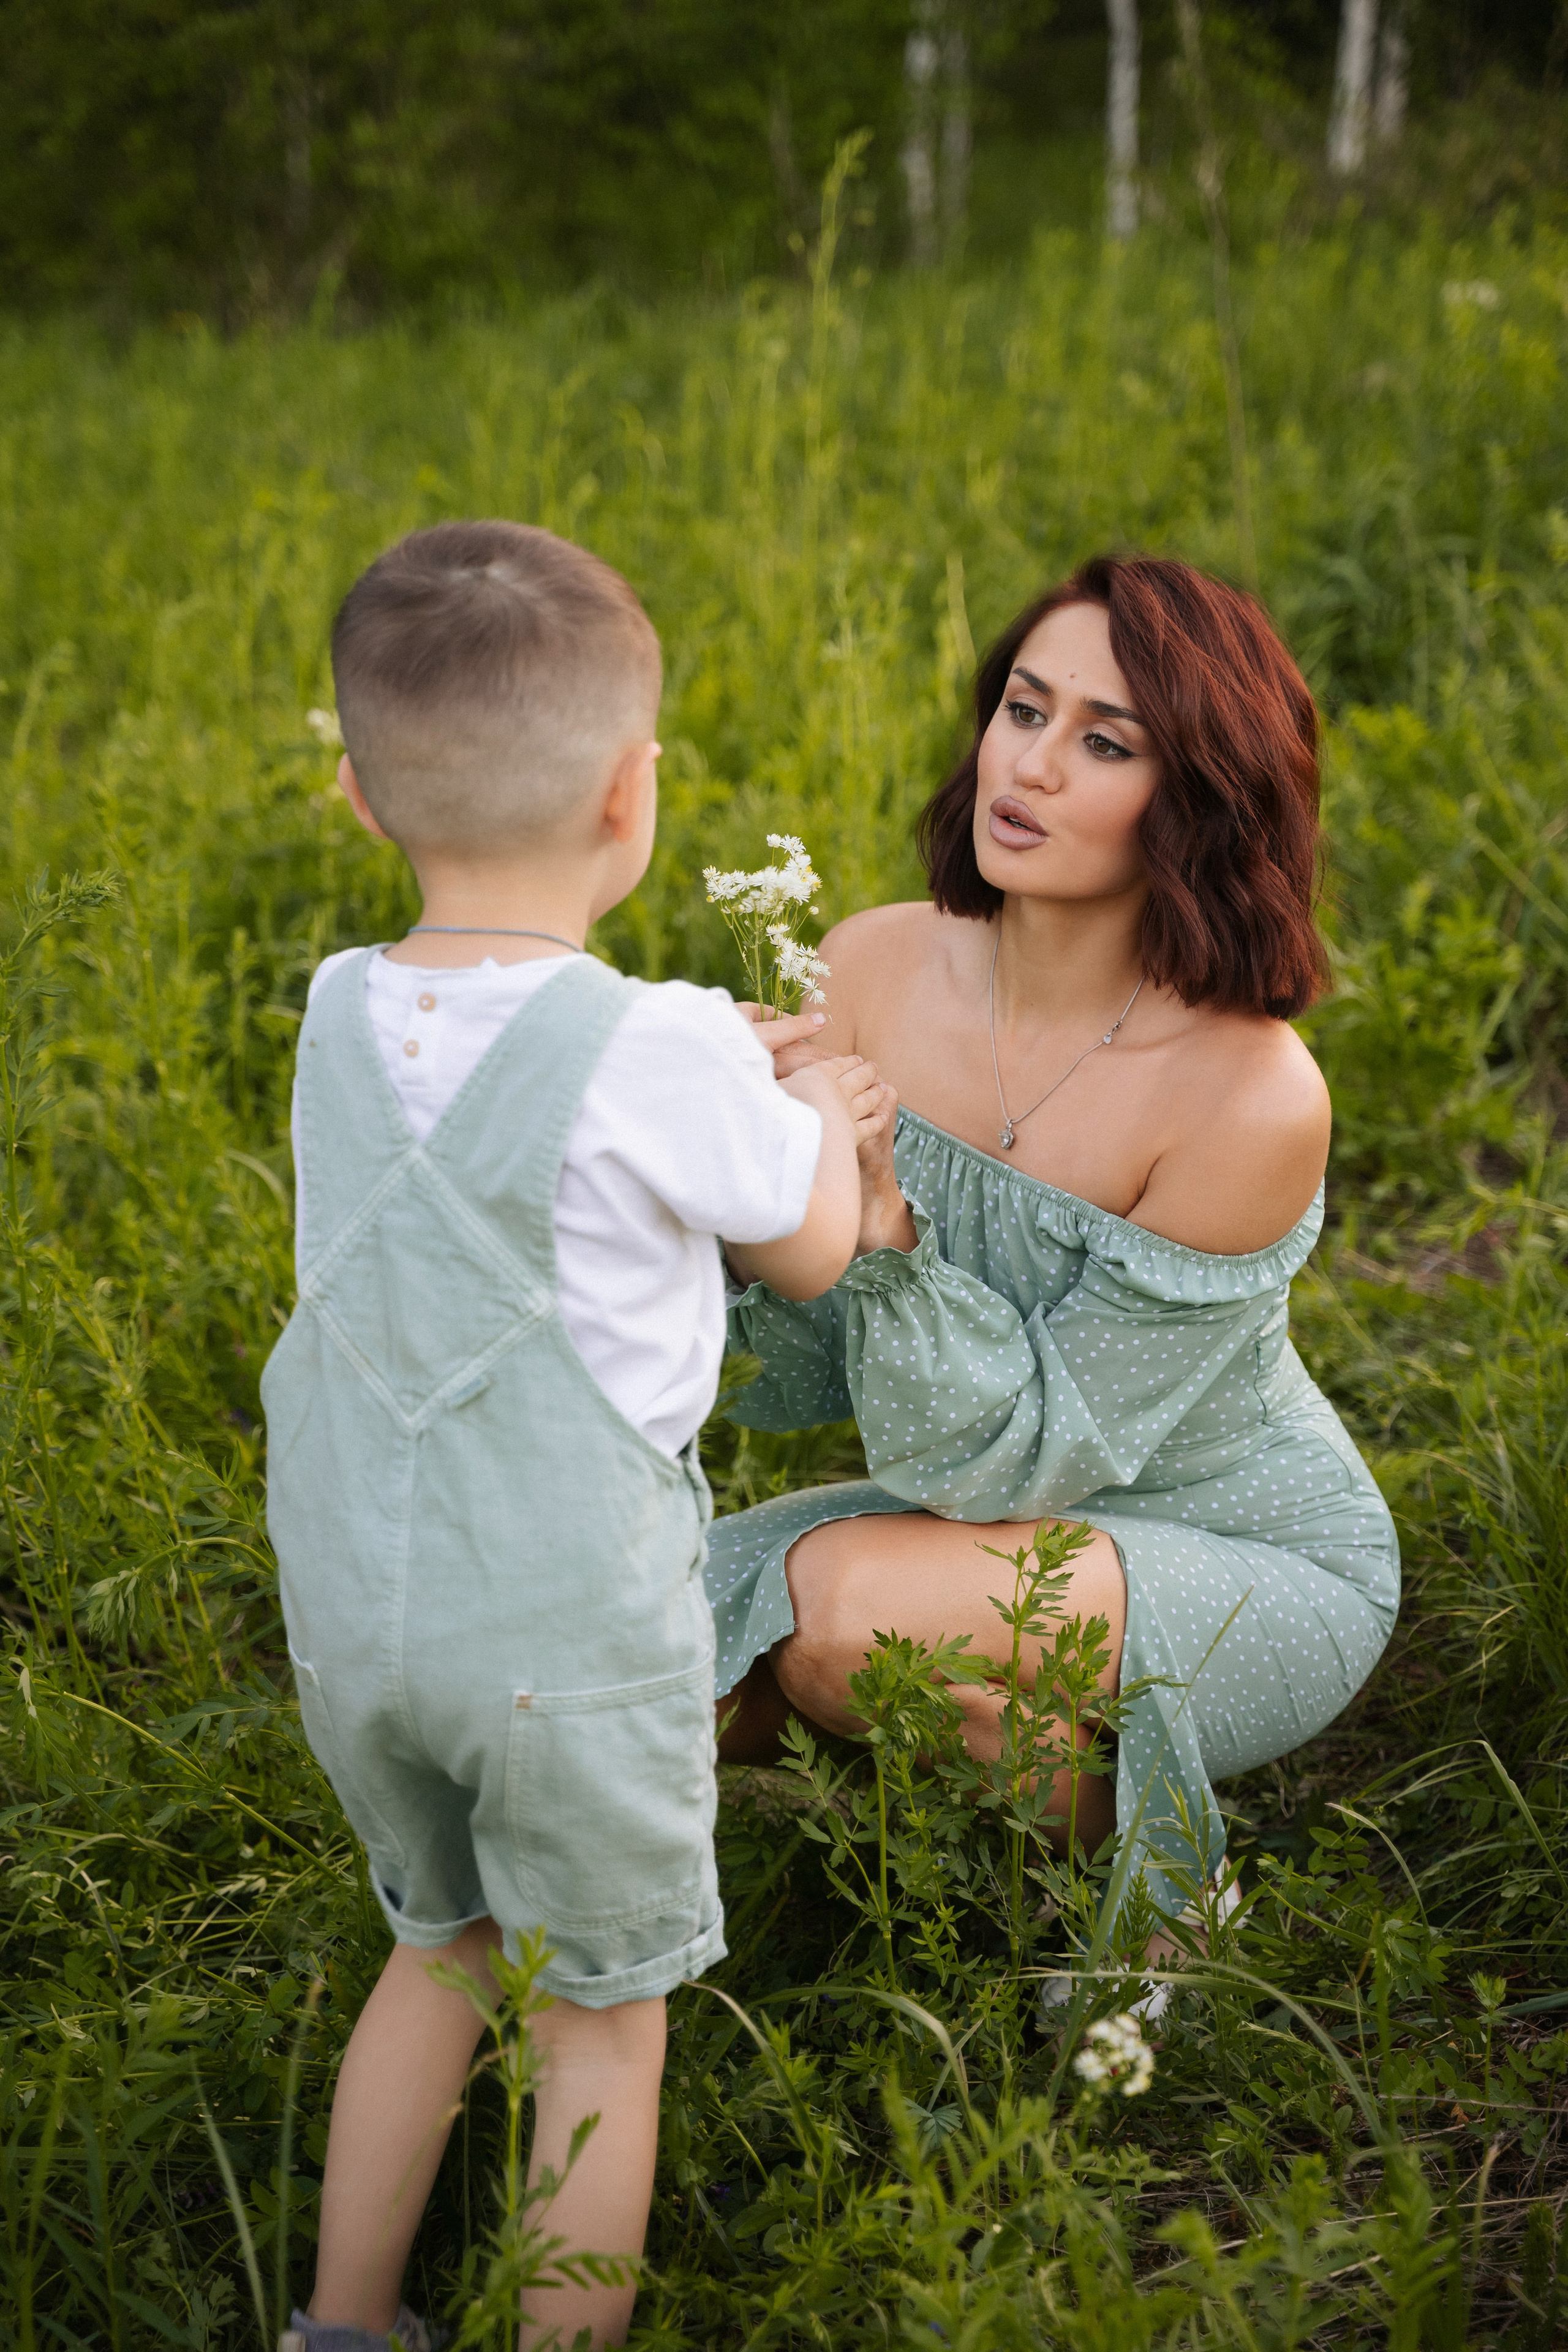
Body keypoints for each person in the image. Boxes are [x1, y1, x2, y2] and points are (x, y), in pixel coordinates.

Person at [262, 520, 872, 2352]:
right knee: (596, 2026)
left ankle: (346, 2323)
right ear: (638, 793)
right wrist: (825, 1106)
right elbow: (814, 1248)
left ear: (361, 797)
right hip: (569, 1651)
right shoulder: (668, 1039)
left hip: (364, 1630)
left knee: (435, 1950)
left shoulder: (332, 1012)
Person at [710, 554, 1400, 1933]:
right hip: (984, 1511)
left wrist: (887, 1229)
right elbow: (787, 1370)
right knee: (632, 1658)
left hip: (1235, 1545)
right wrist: (734, 1171)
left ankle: (1166, 1891)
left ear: (1194, 801)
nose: (1027, 768)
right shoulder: (868, 963)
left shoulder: (1248, 1094)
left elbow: (1008, 1469)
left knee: (840, 1620)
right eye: (1023, 711)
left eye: (1102, 742)